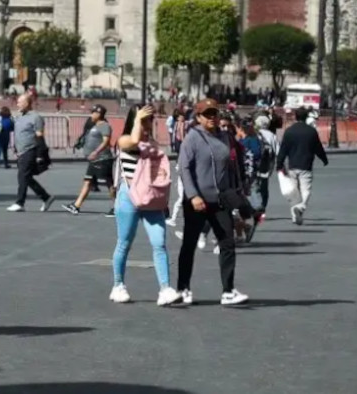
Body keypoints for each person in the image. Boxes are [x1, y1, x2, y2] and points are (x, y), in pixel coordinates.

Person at [175, 99, 248, 306]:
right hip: (198, 201)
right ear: (198, 117)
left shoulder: (225, 137)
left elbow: (232, 167)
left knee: (227, 243)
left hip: (221, 200)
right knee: (189, 245)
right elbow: (184, 168)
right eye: (207, 114)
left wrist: (238, 193)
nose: (212, 117)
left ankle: (228, 291)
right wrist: (193, 195)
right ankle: (183, 288)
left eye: (214, 113)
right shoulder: (192, 138)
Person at [109, 104, 181, 306]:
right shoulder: (124, 140)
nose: (148, 123)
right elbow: (132, 141)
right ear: (135, 120)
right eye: (144, 119)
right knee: (124, 242)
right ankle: (118, 285)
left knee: (159, 243)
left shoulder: (153, 143)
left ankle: (165, 288)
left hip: (151, 198)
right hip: (129, 196)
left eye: (150, 119)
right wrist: (138, 120)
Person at [277, 108, 329, 226]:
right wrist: (324, 159)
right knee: (306, 189)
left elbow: (283, 149)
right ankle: (300, 208)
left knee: (294, 192)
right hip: (306, 164)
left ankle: (295, 216)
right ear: (306, 117)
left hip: (292, 165)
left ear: (295, 116)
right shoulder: (311, 131)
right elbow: (318, 147)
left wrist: (279, 163)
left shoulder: (289, 131)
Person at [6, 93, 55, 212]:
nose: (17, 104)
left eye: (19, 102)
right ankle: (46, 197)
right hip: (22, 152)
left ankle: (20, 202)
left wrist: (40, 155)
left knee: (22, 176)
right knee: (26, 177)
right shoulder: (20, 117)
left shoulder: (36, 117)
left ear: (27, 103)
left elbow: (39, 136)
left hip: (31, 150)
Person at [64, 105, 116, 216]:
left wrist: (96, 152)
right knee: (87, 182)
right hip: (94, 161)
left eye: (93, 112)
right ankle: (76, 206)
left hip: (103, 159)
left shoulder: (104, 126)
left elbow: (106, 141)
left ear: (99, 114)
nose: (91, 114)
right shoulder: (94, 125)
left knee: (109, 184)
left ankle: (117, 207)